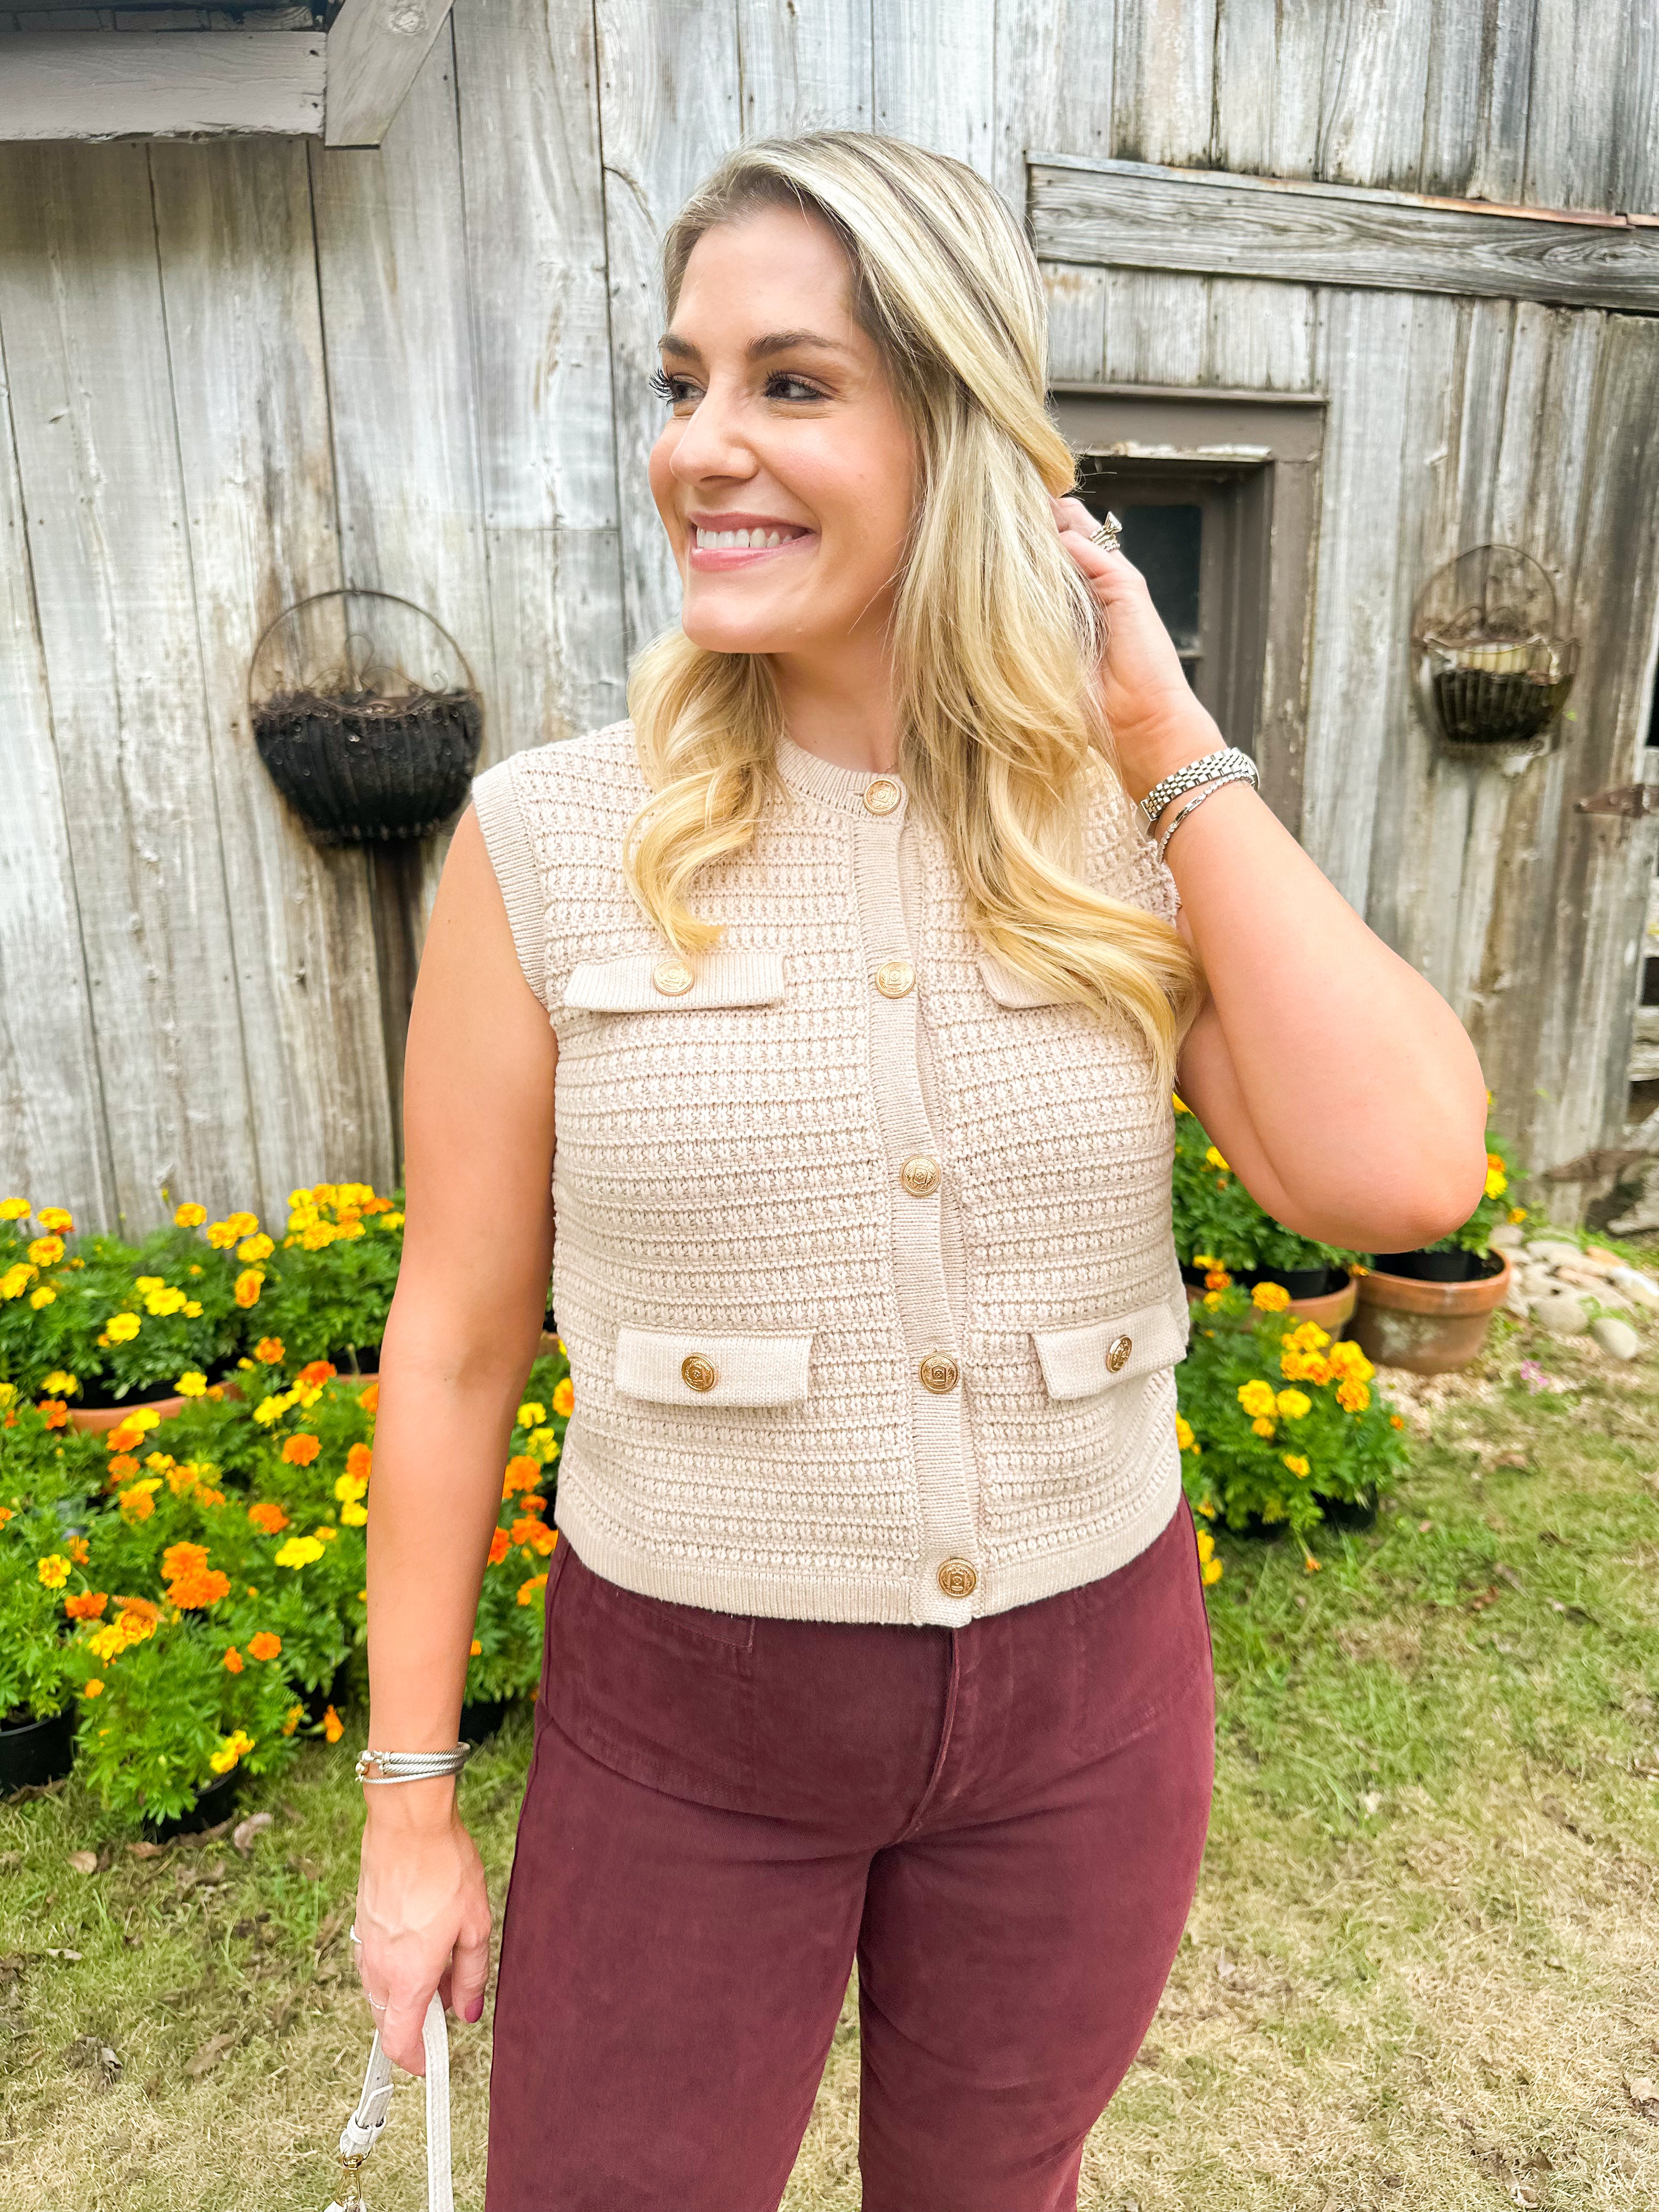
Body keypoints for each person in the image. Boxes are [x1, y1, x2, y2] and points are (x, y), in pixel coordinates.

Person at [350, 129, 1488, 2211]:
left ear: (958, 430)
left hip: (1090, 1709)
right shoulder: (551, 838)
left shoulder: (1124, 824)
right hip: (686, 1719)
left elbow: (1406, 1173)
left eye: (791, 383)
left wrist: (1164, 739)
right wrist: (410, 1809)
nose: (702, 444)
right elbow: (452, 1341)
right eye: (683, 381)